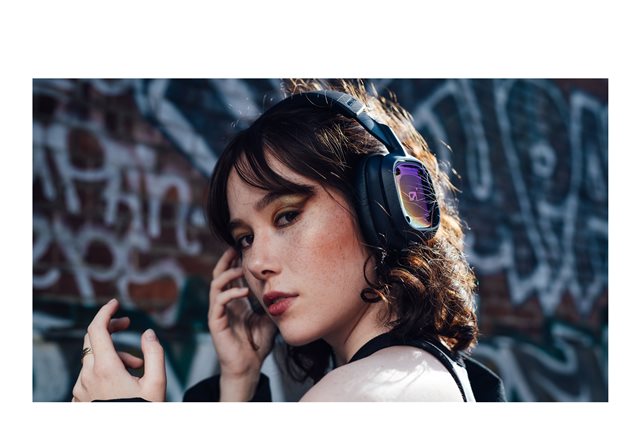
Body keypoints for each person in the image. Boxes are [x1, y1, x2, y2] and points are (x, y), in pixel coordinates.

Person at [71, 79, 505, 403]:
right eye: (244, 238)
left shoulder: (361, 395)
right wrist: (238, 379)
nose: (256, 263)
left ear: (382, 209)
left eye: (287, 216)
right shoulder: (418, 377)